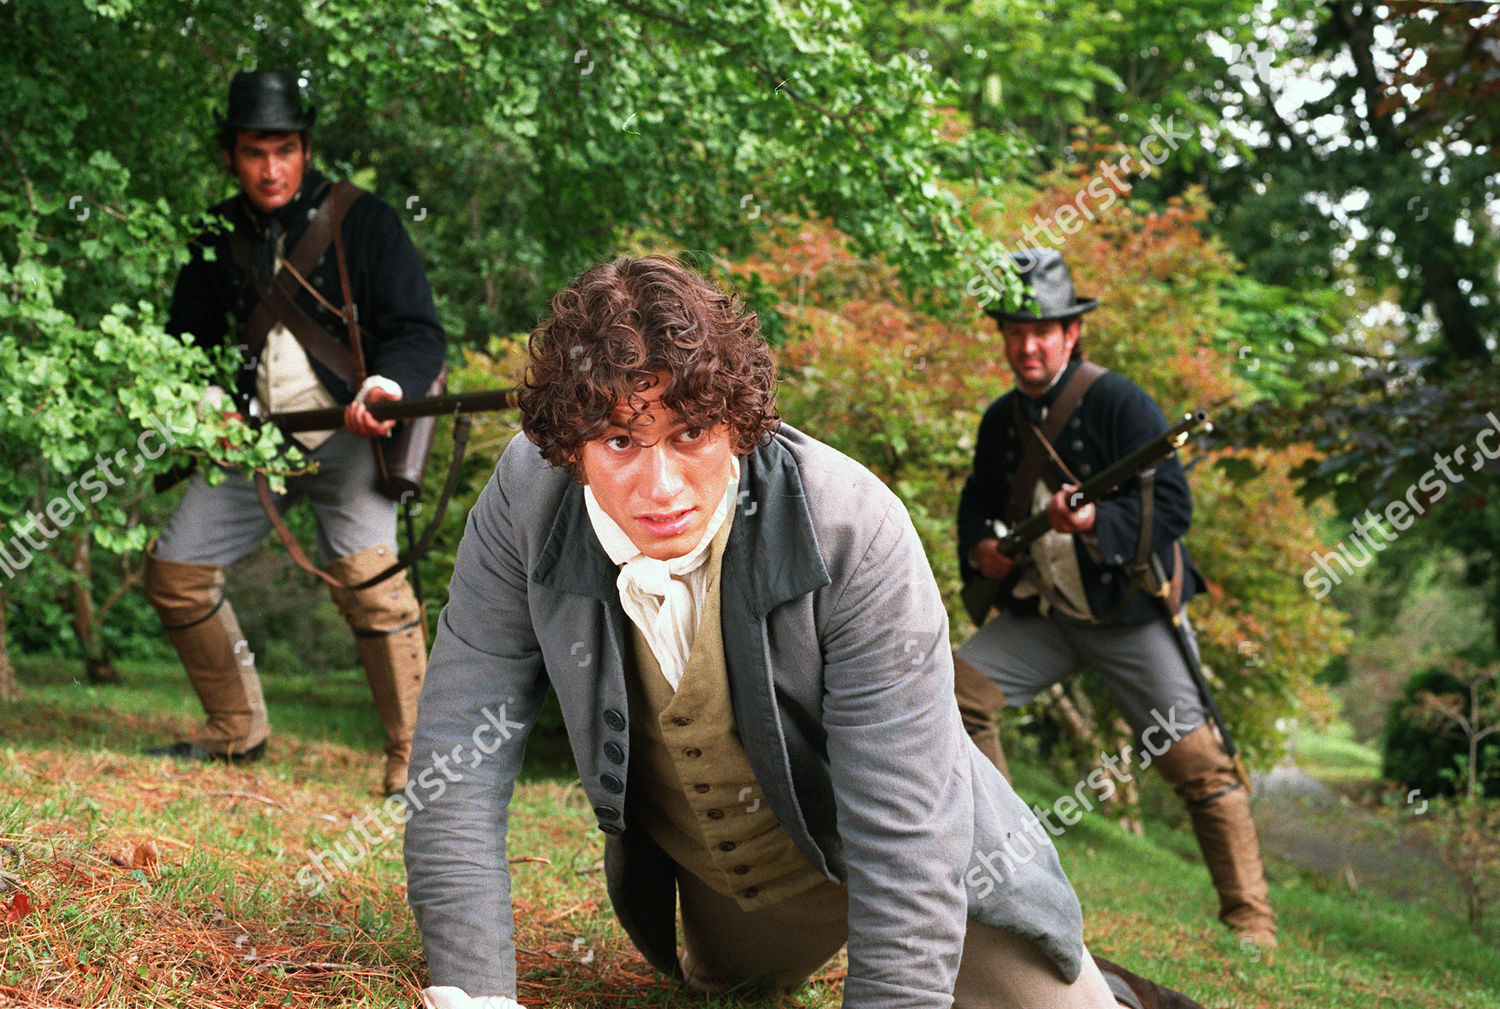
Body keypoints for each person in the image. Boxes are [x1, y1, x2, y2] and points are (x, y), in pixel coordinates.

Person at [402, 255, 1205, 1009]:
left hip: (926, 865)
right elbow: (457, 749)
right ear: (569, 446)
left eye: (690, 434)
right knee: (723, 987)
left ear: (739, 425)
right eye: (619, 440)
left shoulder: (852, 527)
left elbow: (905, 834)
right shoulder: (524, 500)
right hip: (738, 881)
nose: (660, 485)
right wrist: (475, 993)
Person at [953, 248, 1276, 948]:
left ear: (1072, 335)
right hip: (1045, 614)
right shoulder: (1000, 421)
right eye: (1016, 330)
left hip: (1128, 615)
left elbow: (1175, 510)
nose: (1028, 344)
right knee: (955, 691)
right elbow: (978, 503)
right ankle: (1010, 862)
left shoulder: (1121, 403)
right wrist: (983, 547)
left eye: (1043, 330)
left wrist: (1098, 521)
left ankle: (1251, 921)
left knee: (1199, 762)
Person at [145, 70, 447, 796]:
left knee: (375, 590)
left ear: (305, 148)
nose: (271, 167)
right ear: (231, 154)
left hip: (350, 438)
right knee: (175, 574)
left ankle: (415, 756)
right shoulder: (213, 234)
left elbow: (419, 332)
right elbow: (185, 342)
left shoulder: (366, 221)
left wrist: (383, 386)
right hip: (252, 445)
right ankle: (234, 728)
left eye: (284, 149)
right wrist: (210, 401)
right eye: (254, 151)